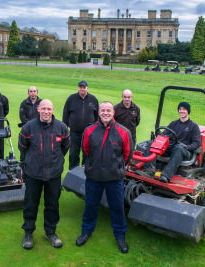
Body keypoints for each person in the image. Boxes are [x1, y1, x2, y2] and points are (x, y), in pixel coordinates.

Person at [76, 101, 133, 254]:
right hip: (94, 177)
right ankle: (86, 231)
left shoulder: (123, 132)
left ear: (113, 113)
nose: (105, 113)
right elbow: (86, 151)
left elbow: (127, 155)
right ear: (99, 112)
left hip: (114, 178)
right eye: (103, 110)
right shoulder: (89, 131)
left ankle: (120, 236)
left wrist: (117, 167)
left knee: (117, 208)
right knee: (90, 205)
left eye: (108, 110)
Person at [18, 99, 70, 250]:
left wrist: (56, 160)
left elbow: (65, 147)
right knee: (30, 204)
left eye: (49, 109)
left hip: (53, 174)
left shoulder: (61, 127)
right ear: (38, 110)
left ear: (53, 110)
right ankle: (28, 232)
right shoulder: (28, 127)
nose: (46, 111)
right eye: (43, 109)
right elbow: (22, 147)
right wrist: (32, 160)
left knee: (52, 205)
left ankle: (50, 232)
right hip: (33, 173)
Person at [142, 102, 201, 183]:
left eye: (184, 109)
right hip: (171, 147)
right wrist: (159, 138)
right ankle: (148, 171)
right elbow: (164, 135)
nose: (181, 111)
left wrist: (187, 147)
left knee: (178, 148)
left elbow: (197, 143)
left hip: (185, 151)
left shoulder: (193, 126)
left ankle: (165, 175)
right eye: (180, 109)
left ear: (188, 111)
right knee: (151, 143)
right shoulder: (174, 123)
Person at [63, 80, 99, 170]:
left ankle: (85, 171)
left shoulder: (93, 99)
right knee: (74, 153)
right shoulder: (71, 98)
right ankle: (73, 172)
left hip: (88, 133)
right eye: (80, 87)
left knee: (87, 152)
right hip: (74, 132)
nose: (82, 89)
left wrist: (96, 129)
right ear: (78, 88)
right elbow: (65, 114)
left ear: (87, 88)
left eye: (84, 87)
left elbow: (97, 116)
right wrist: (65, 127)